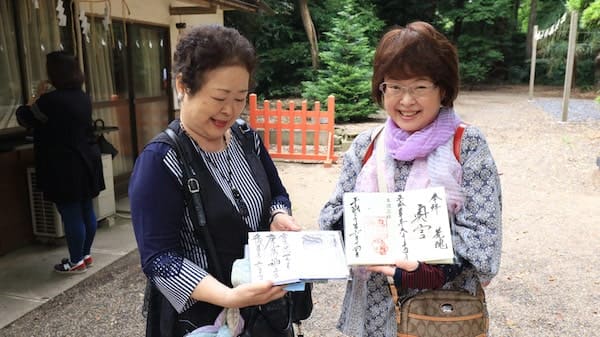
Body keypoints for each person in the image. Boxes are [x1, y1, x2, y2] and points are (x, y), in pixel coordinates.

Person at [318, 21, 502, 337]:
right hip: (374, 311)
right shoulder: (367, 145)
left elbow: (485, 241)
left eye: (419, 87)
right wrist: (361, 231)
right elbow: (332, 216)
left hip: (440, 310)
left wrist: (427, 271)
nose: (406, 101)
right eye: (395, 87)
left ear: (442, 89)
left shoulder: (467, 145)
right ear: (382, 88)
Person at [129, 24, 300, 336]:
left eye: (239, 98)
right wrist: (230, 296)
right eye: (220, 97)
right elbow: (159, 259)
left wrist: (278, 215)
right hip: (203, 319)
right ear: (183, 85)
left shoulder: (246, 138)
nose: (229, 110)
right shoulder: (161, 161)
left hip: (264, 312)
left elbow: (277, 193)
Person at [16, 51, 105, 274]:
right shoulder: (83, 97)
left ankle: (75, 261)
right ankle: (84, 255)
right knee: (86, 209)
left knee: (70, 212)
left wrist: (36, 96)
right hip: (86, 159)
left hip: (63, 165)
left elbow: (25, 117)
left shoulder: (49, 101)